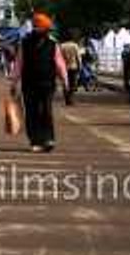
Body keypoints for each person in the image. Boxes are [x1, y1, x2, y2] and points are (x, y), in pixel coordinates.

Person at [10, 12, 68, 152]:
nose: (38, 31)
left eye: (42, 29)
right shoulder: (25, 43)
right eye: (36, 28)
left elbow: (59, 63)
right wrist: (14, 82)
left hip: (47, 84)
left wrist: (65, 80)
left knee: (46, 110)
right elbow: (19, 63)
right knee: (31, 112)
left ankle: (48, 139)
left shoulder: (53, 44)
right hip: (29, 84)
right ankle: (35, 141)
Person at [60, 36, 82, 105]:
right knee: (73, 84)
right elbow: (78, 57)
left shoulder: (62, 46)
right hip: (73, 67)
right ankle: (70, 99)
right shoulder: (75, 45)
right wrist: (80, 66)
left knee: (65, 83)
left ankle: (67, 99)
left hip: (64, 67)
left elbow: (59, 57)